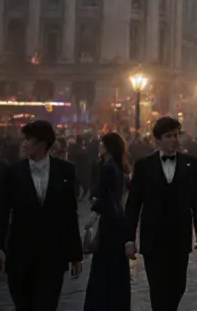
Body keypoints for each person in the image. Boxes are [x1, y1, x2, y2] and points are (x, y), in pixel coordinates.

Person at [0, 120, 83, 311]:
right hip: (20, 254)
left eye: (28, 139)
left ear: (42, 143)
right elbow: (1, 212)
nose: (23, 144)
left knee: (46, 305)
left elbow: (69, 214)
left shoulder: (65, 171)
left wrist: (75, 255)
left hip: (52, 256)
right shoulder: (12, 173)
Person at [124, 117, 197, 311]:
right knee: (158, 290)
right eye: (169, 136)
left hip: (180, 237)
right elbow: (133, 204)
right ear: (158, 139)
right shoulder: (144, 166)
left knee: (178, 287)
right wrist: (129, 239)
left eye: (177, 135)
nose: (174, 139)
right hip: (153, 239)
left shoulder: (190, 164)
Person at [84, 133, 131, 311]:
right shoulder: (119, 167)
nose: (99, 146)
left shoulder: (108, 168)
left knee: (104, 267)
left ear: (108, 147)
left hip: (109, 223)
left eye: (102, 143)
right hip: (118, 222)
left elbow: (103, 196)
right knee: (115, 268)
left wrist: (94, 215)